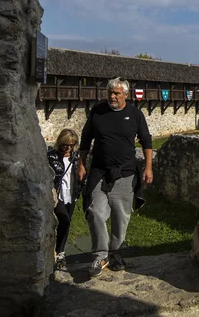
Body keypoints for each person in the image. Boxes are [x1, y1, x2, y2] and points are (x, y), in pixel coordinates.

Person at [78, 77, 153, 278]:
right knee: (95, 212)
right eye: (110, 92)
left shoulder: (135, 114)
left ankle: (115, 252)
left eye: (116, 93)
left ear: (126, 95)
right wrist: (81, 164)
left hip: (125, 174)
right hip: (99, 172)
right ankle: (100, 256)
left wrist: (148, 167)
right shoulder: (98, 111)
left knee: (121, 217)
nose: (112, 96)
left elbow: (146, 140)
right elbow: (86, 138)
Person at [48, 128, 82, 270]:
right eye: (65, 145)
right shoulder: (51, 156)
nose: (67, 148)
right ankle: (56, 251)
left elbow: (81, 175)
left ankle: (60, 252)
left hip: (71, 194)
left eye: (71, 145)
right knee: (64, 219)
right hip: (57, 194)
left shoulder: (77, 156)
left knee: (66, 224)